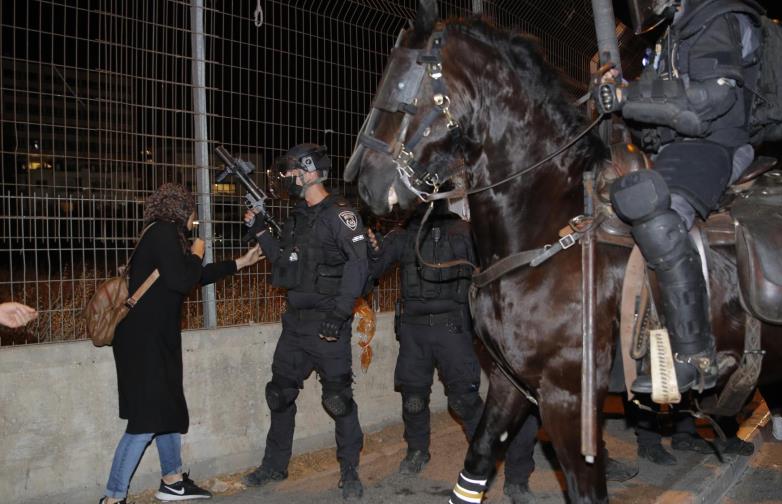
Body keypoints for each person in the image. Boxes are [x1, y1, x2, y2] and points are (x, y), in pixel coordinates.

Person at [609, 0, 763, 393]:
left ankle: (696, 357)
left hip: (716, 145)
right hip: (677, 148)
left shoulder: (715, 18)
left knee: (660, 218)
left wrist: (628, 98)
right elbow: (663, 104)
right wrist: (619, 94)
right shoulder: (673, 33)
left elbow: (713, 97)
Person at [101, 183, 264, 504]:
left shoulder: (161, 235)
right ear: (181, 210)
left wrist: (239, 263)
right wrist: (197, 253)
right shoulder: (162, 233)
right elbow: (182, 280)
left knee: (168, 408)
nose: (195, 220)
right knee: (146, 421)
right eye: (193, 212)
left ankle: (172, 481)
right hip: (143, 342)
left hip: (153, 339)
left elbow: (191, 276)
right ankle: (113, 497)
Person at [366, 203, 541, 503]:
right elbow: (374, 269)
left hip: (453, 329)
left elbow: (497, 272)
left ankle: (482, 457)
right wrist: (369, 248)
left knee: (463, 400)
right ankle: (417, 451)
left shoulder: (465, 233)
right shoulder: (404, 235)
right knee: (413, 398)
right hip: (413, 331)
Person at [241, 144, 369, 500]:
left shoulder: (340, 215)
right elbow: (285, 264)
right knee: (279, 395)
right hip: (295, 325)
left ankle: (350, 472)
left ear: (310, 172)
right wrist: (262, 231)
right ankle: (274, 466)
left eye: (291, 172)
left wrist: (340, 314)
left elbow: (359, 266)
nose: (286, 178)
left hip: (329, 325)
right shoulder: (297, 216)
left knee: (339, 400)